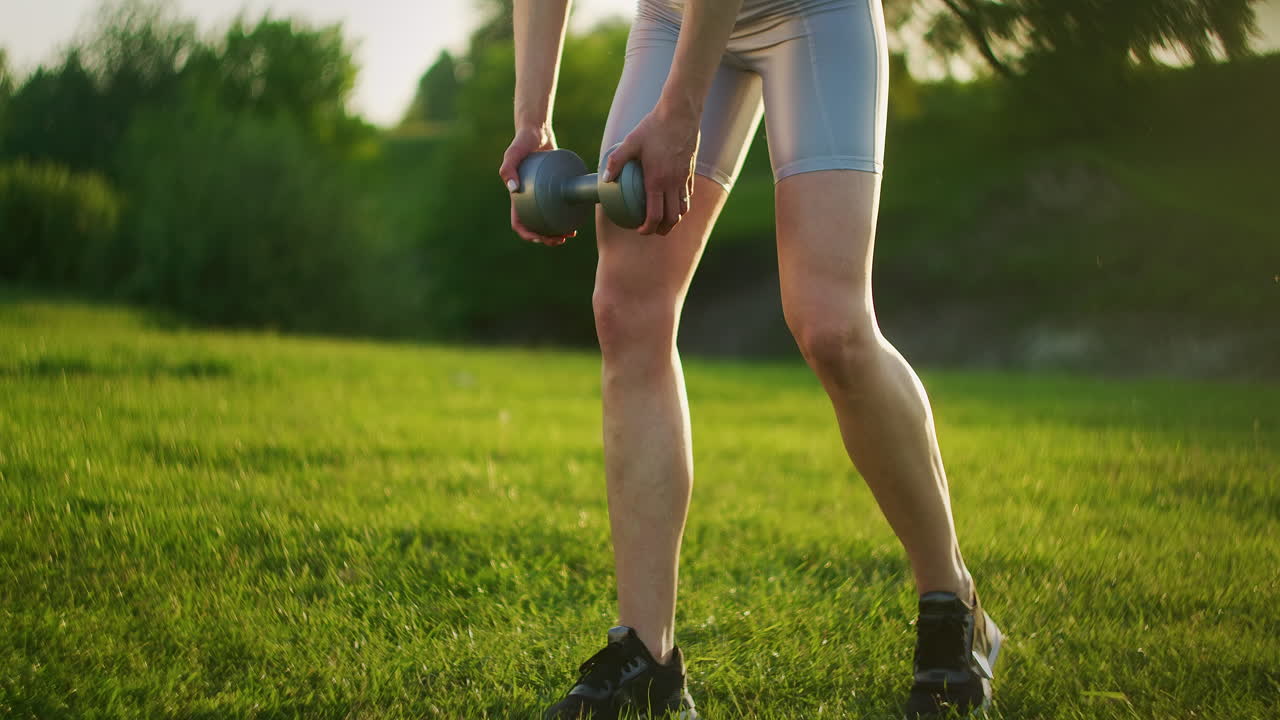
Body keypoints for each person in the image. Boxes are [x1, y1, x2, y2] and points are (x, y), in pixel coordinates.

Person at [497, 0, 1002, 717]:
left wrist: (680, 113)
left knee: (831, 326)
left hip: (813, 14)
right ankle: (650, 657)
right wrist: (531, 123)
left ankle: (954, 605)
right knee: (627, 311)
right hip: (674, 16)